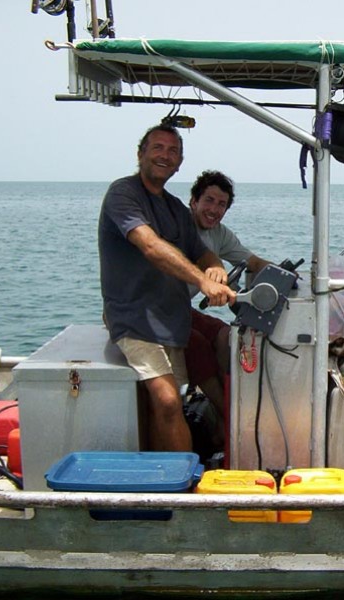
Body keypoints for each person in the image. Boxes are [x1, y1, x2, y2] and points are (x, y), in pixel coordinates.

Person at [98, 124, 236, 452]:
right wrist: (201, 280)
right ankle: (182, 487)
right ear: (141, 153)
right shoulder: (123, 194)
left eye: (173, 151)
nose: (165, 155)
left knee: (167, 401)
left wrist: (214, 266)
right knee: (168, 400)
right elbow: (150, 245)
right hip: (133, 319)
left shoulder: (175, 208)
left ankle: (179, 464)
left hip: (170, 318)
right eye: (158, 148)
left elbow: (200, 250)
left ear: (179, 162)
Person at [185, 170, 272, 418]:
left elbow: (252, 261)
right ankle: (228, 415)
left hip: (181, 308)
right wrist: (210, 276)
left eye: (221, 204)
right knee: (198, 345)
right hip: (156, 310)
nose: (214, 209)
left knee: (226, 335)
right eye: (209, 200)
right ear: (194, 201)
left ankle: (234, 398)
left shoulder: (219, 233)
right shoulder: (179, 226)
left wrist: (288, 275)